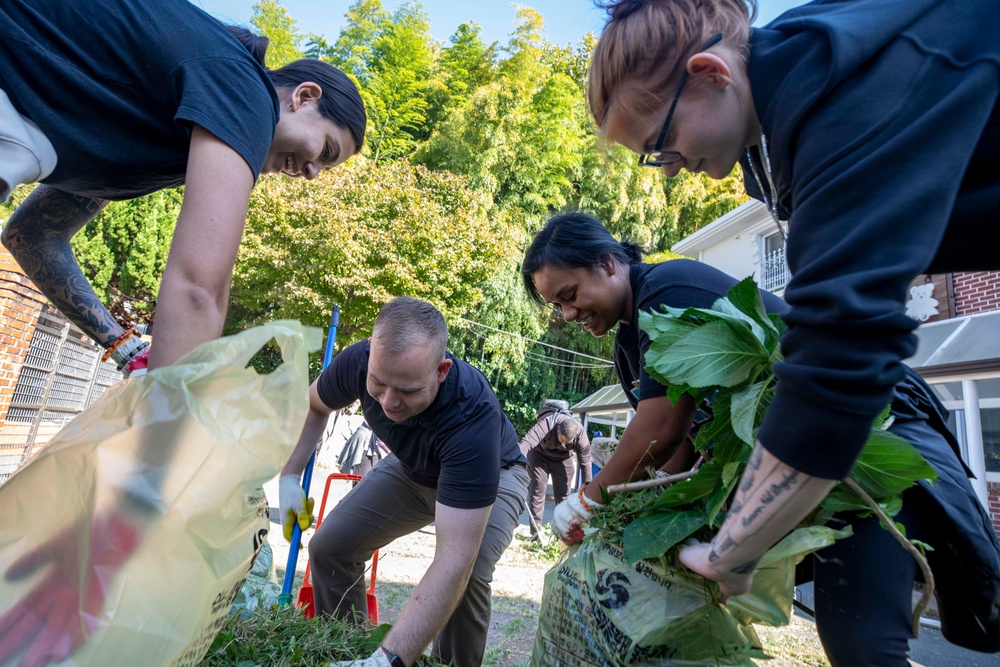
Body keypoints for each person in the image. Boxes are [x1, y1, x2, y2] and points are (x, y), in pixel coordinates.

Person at [583, 0, 1000, 659]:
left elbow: (836, 359)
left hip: (884, 425)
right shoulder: (782, 121)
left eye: (661, 144)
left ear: (710, 73)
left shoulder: (840, 97)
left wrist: (731, 550)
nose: (669, 166)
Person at [0, 2, 366, 665]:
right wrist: (145, 493)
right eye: (326, 152)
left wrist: (121, 343)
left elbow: (33, 235)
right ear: (303, 96)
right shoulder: (241, 88)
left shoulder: (148, 133)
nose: (312, 175)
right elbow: (201, 285)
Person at [522, 211, 1000, 663]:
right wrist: (631, 519)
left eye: (569, 294)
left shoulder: (666, 289)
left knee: (864, 643)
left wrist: (588, 499)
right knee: (856, 639)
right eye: (557, 305)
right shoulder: (631, 342)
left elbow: (662, 429)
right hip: (810, 467)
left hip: (863, 436)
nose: (567, 314)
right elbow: (682, 447)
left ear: (607, 262)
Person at [280, 297, 529, 667]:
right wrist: (289, 476)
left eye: (409, 390)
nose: (389, 402)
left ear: (441, 370)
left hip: (496, 475)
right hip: (414, 469)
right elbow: (316, 405)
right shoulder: (357, 362)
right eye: (378, 384)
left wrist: (390, 660)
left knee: (468, 574)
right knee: (330, 547)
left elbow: (453, 560)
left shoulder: (471, 414)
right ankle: (350, 653)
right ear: (370, 353)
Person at [519, 399, 593, 541]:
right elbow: (527, 442)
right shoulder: (548, 423)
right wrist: (515, 461)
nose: (563, 444)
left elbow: (586, 464)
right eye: (561, 440)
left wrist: (587, 486)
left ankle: (563, 532)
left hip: (563, 460)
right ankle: (536, 533)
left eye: (567, 443)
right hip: (539, 456)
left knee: (564, 496)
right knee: (537, 492)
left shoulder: (581, 435)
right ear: (558, 429)